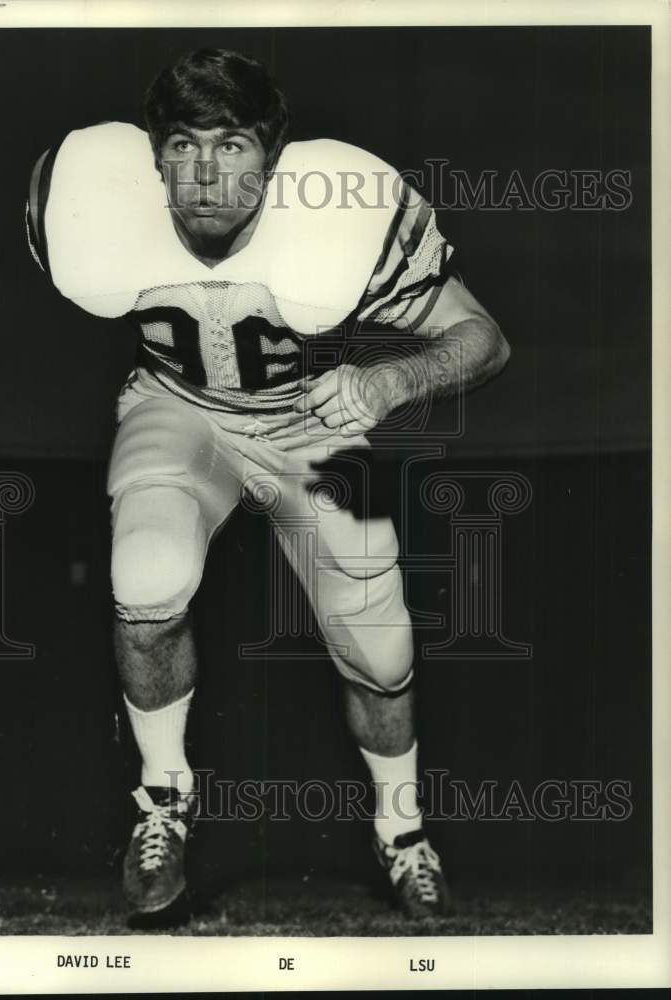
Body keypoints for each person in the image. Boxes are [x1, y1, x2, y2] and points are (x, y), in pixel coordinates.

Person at [27, 47, 510, 923]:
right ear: (151, 154)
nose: (206, 174)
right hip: (181, 410)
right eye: (181, 146)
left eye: (233, 144)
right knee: (145, 572)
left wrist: (391, 381)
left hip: (310, 422)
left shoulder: (342, 218)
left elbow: (483, 338)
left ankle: (401, 833)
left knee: (381, 650)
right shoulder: (93, 207)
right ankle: (164, 803)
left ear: (275, 158)